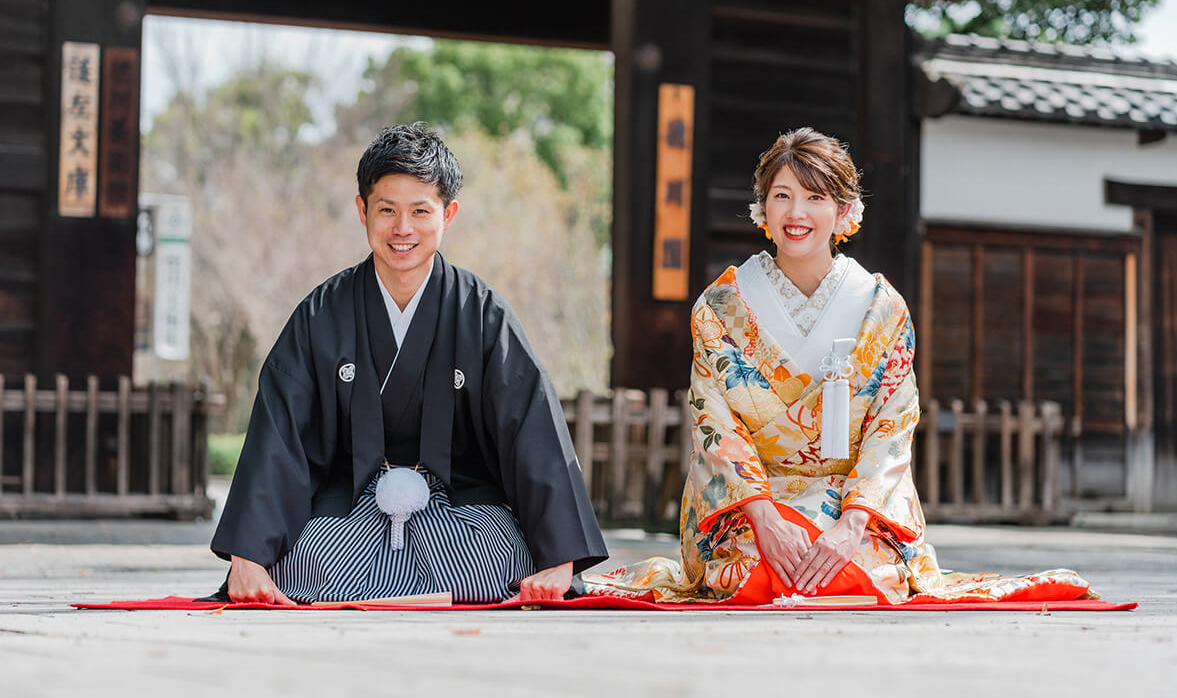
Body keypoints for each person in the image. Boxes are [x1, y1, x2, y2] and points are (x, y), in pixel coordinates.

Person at [586, 128, 1093, 605]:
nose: (796, 212)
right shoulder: (721, 306)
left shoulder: (881, 307)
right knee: (750, 569)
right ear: (762, 208)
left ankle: (844, 545)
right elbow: (713, 421)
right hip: (752, 507)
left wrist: (851, 523)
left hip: (852, 504)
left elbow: (892, 426)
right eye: (781, 195)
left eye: (815, 197)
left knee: (866, 569)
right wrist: (763, 516)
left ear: (845, 210)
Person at [210, 124, 607, 604]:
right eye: (387, 210)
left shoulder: (480, 312)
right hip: (347, 515)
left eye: (421, 211)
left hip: (462, 513)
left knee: (494, 559)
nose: (403, 229)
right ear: (362, 211)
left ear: (448, 214)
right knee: (308, 558)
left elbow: (531, 429)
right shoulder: (323, 312)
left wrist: (558, 560)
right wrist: (248, 559)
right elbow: (280, 431)